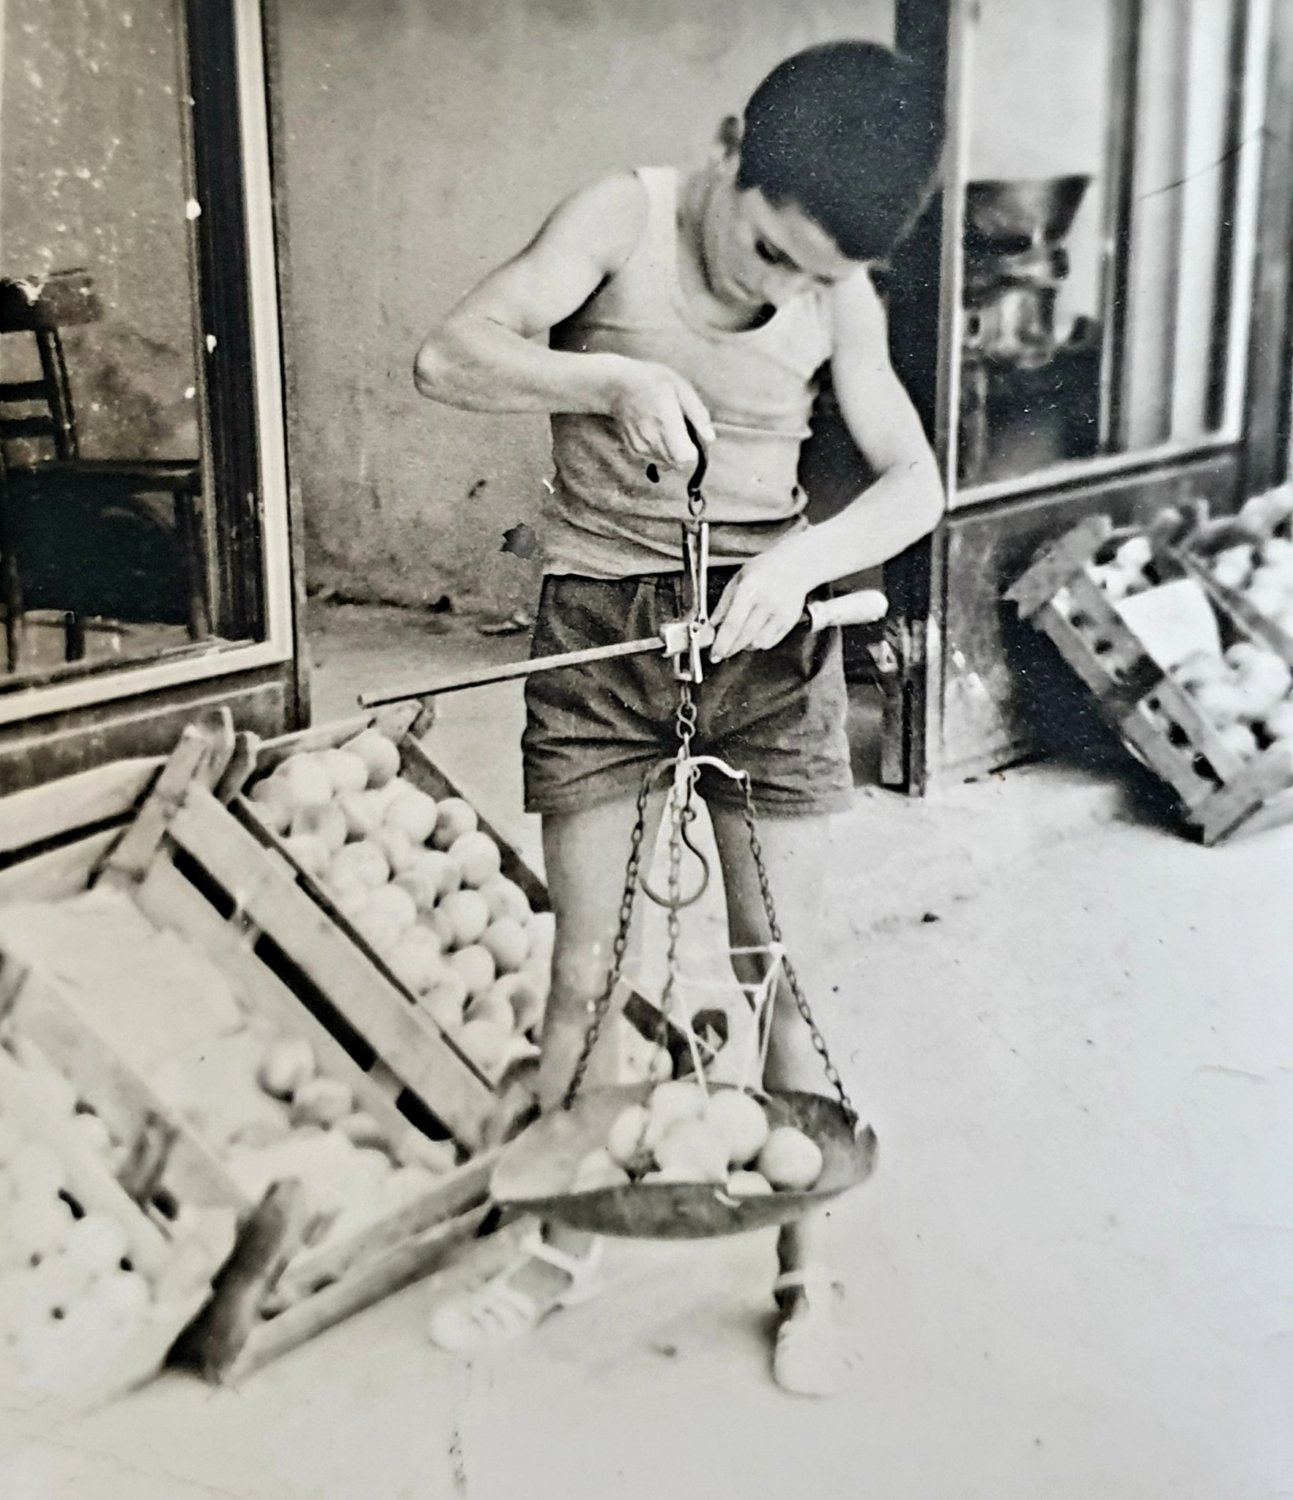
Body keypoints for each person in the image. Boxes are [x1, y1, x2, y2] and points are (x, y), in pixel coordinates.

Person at [413, 40, 945, 1396]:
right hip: (603, 627)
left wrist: (802, 566)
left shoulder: (836, 292)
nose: (784, 292)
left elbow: (913, 484)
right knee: (585, 972)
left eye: (813, 278)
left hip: (763, 633)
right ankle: (559, 1249)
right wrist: (608, 381)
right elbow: (446, 354)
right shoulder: (621, 217)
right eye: (770, 252)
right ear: (726, 151)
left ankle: (804, 1275)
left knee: (780, 971)